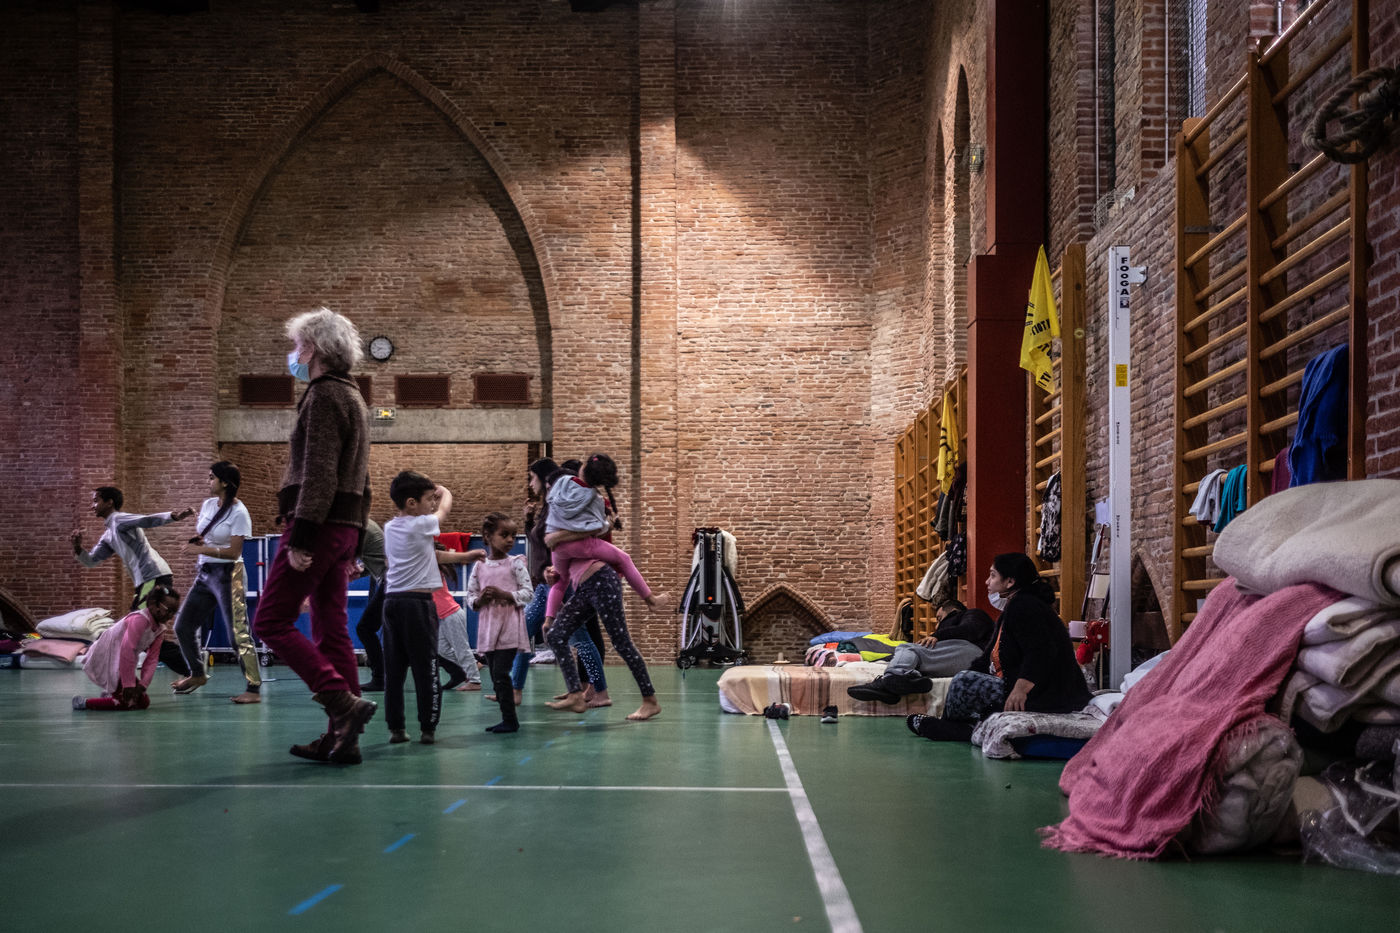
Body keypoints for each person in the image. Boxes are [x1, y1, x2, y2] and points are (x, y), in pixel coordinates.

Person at [253, 306, 375, 765]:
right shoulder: (354, 396)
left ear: (317, 349)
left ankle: (340, 701)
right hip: (343, 529)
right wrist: (355, 539)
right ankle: (343, 739)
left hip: (316, 526)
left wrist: (302, 536)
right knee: (332, 630)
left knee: (270, 621)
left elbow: (320, 472)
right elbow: (363, 479)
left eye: (298, 344)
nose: (294, 353)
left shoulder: (323, 395)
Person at [908, 553, 1091, 742]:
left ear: (1010, 581)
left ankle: (954, 727)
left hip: (1051, 694)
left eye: (993, 575)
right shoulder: (1013, 607)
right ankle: (958, 725)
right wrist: (972, 674)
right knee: (966, 678)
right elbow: (986, 657)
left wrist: (1020, 690)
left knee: (965, 681)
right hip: (1036, 688)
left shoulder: (1026, 606)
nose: (987, 582)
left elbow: (1042, 652)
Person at [71, 485, 195, 676]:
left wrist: (174, 516)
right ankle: (193, 670)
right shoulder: (109, 534)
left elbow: (146, 520)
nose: (92, 506)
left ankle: (192, 671)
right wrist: (77, 548)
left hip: (153, 577)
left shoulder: (119, 520)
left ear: (109, 502)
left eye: (96, 501)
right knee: (143, 634)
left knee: (137, 630)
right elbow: (92, 561)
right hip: (146, 581)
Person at [170, 461, 262, 703]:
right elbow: (208, 535)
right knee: (183, 626)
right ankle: (197, 674)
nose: (208, 481)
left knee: (237, 635)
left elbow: (234, 552)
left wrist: (200, 550)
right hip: (205, 573)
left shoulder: (240, 513)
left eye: (212, 477)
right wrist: (199, 542)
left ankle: (253, 689)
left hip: (229, 575)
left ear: (225, 483)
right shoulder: (209, 504)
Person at [542, 453, 659, 622]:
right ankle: (650, 599)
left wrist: (555, 535)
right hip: (581, 545)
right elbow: (596, 528)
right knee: (624, 558)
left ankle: (549, 619)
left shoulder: (563, 483)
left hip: (558, 548)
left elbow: (552, 503)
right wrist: (608, 525)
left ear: (583, 468)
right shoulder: (594, 498)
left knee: (561, 581)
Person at [382, 471, 454, 746]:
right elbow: (444, 510)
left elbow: (427, 553)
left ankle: (396, 729)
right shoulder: (420, 524)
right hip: (417, 604)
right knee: (426, 668)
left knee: (395, 671)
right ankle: (428, 728)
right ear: (411, 503)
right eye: (428, 499)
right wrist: (444, 491)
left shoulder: (390, 527)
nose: (432, 504)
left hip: (392, 602)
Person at [847, 598, 994, 703]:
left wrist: (938, 635)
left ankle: (891, 678)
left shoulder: (973, 613)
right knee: (913, 659)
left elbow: (971, 629)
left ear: (953, 611)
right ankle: (893, 688)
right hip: (961, 657)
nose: (937, 626)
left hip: (975, 654)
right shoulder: (950, 633)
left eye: (939, 618)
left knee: (907, 647)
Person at [466, 511, 534, 733]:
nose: (510, 540)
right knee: (496, 676)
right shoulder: (479, 566)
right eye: (504, 535)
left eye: (513, 535)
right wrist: (480, 600)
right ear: (487, 536)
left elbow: (528, 593)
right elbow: (470, 596)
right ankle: (507, 718)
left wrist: (505, 595)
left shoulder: (515, 564)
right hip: (488, 628)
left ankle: (510, 721)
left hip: (509, 627)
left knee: (501, 674)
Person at [73, 583, 180, 712]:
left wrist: (142, 685)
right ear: (153, 604)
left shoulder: (160, 629)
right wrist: (128, 684)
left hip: (121, 661)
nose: (170, 616)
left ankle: (110, 695)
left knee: (143, 702)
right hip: (107, 656)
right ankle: (84, 703)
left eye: (174, 612)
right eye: (168, 610)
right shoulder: (140, 619)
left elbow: (152, 659)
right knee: (126, 703)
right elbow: (127, 649)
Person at [432, 541, 486, 693]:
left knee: (462, 649)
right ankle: (473, 664)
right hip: (443, 616)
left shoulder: (432, 570)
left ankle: (475, 681)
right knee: (441, 649)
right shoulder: (430, 569)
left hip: (451, 614)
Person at [356, 518, 388, 692]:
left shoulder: (362, 528)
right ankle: (455, 669)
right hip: (392, 581)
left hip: (391, 582)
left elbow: (344, 556)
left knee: (365, 628)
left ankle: (379, 678)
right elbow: (375, 559)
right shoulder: (367, 525)